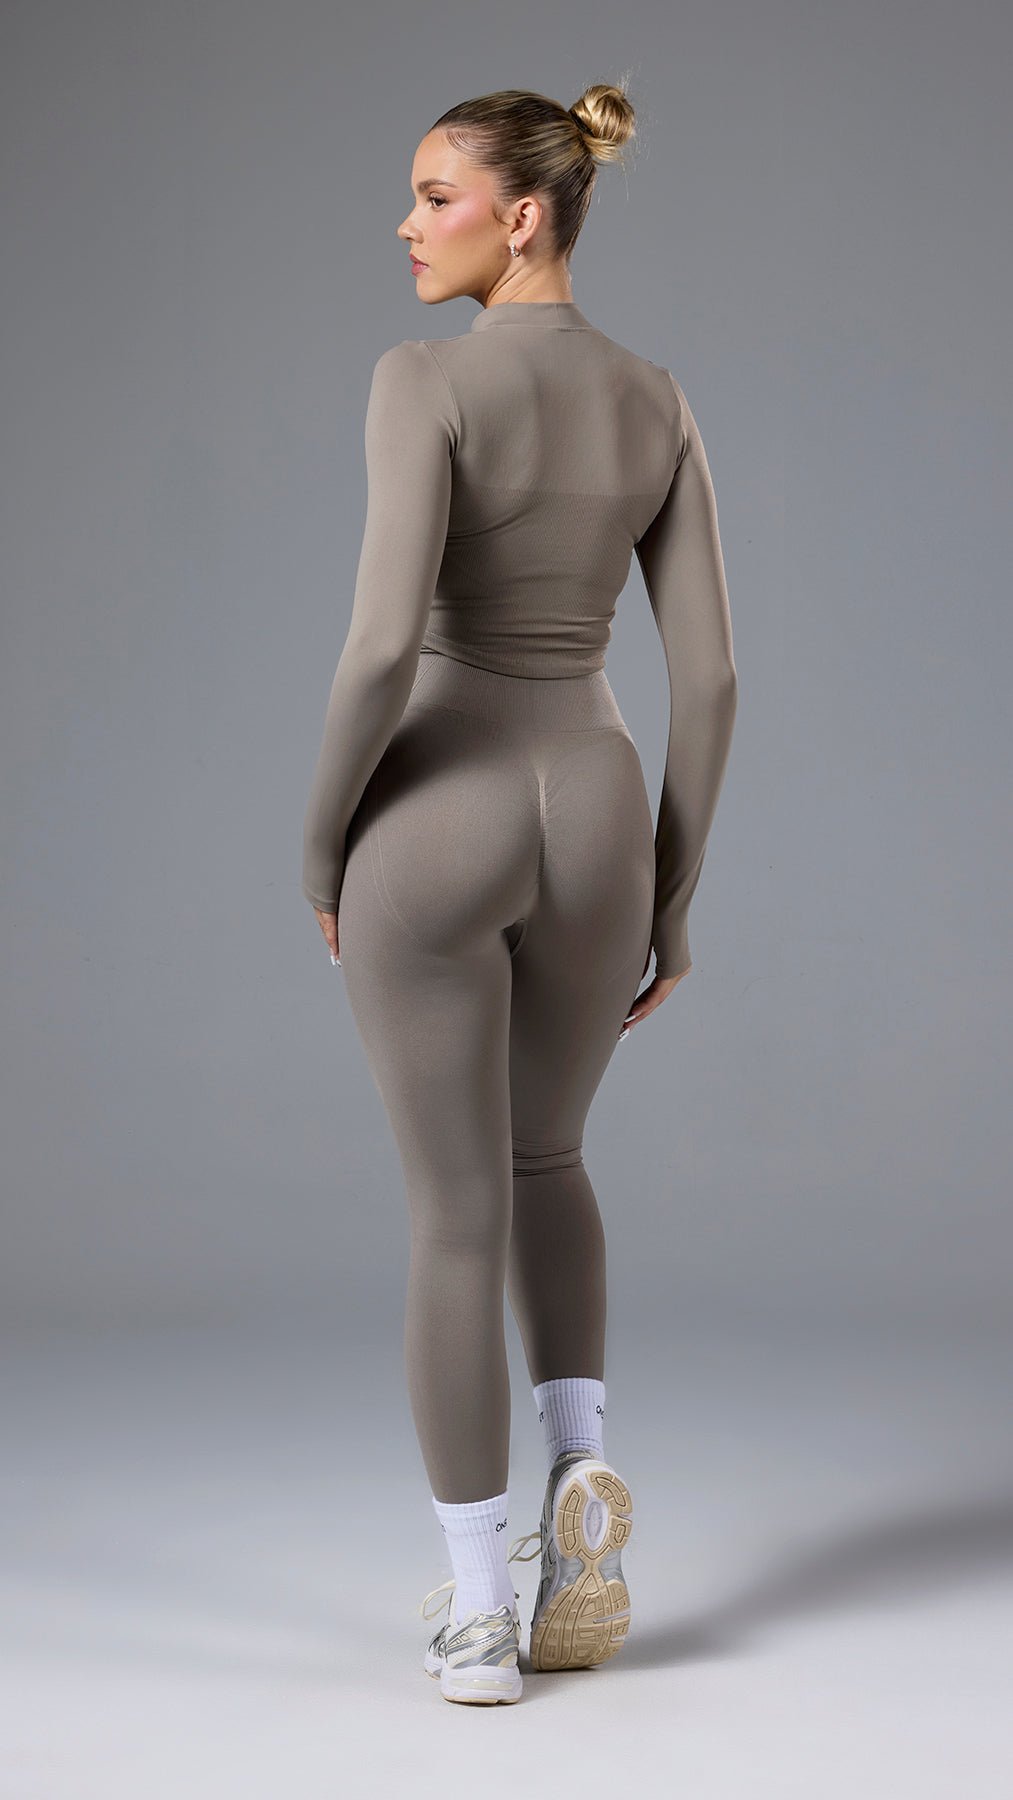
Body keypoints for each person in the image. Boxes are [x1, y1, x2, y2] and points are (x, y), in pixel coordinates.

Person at [301, 81, 738, 1705]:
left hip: (442, 800)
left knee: (453, 1211)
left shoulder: (421, 382)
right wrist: (672, 893)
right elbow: (712, 679)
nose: (408, 225)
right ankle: (579, 1477)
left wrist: (318, 842)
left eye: (435, 196)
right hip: (598, 803)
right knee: (546, 1157)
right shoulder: (655, 398)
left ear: (523, 214)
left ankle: (481, 1609)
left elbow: (376, 649)